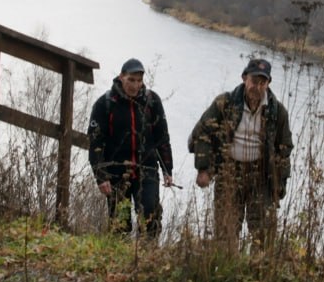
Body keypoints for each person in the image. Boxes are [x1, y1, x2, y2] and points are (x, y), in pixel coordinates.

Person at [189, 57, 293, 250]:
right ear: (244, 78)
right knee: (225, 231)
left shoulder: (278, 112)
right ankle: (226, 265)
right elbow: (202, 132)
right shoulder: (225, 103)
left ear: (268, 83)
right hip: (229, 171)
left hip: (261, 174)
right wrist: (203, 169)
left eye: (262, 83)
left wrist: (279, 185)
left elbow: (284, 149)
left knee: (263, 234)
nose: (257, 87)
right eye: (254, 81)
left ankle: (258, 268)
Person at [87, 57, 175, 239]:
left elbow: (162, 137)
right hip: (117, 172)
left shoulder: (152, 102)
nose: (135, 85)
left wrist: (168, 169)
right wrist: (101, 177)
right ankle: (119, 254)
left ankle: (148, 252)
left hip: (147, 169)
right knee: (120, 224)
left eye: (139, 81)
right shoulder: (105, 104)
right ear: (121, 77)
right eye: (131, 80)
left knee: (150, 215)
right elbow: (95, 143)